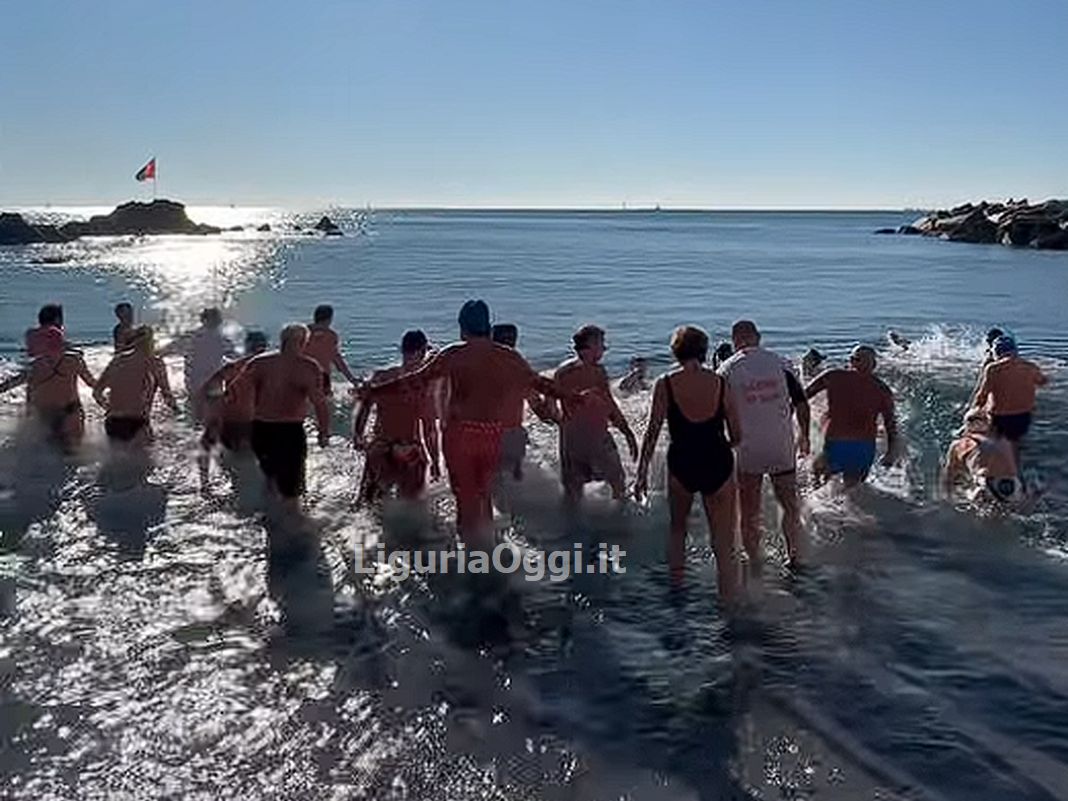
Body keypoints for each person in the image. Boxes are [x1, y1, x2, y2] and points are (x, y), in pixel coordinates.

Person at [361, 300, 574, 542]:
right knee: (482, 494)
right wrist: (571, 397)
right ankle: (490, 543)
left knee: (465, 496)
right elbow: (538, 383)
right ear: (488, 326)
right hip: (491, 434)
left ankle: (474, 551)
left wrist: (375, 390)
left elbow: (415, 380)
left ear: (462, 328)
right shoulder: (508, 356)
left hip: (461, 435)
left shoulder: (454, 354)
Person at [634, 325, 741, 601]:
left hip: (682, 461)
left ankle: (677, 591)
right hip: (717, 459)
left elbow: (653, 430)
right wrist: (723, 446)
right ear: (704, 351)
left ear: (676, 351)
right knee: (723, 542)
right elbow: (737, 433)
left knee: (678, 529)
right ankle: (728, 601)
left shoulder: (666, 383)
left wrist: (641, 472)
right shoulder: (720, 383)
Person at [718, 320, 810, 572]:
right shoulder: (781, 363)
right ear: (758, 337)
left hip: (747, 448)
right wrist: (805, 436)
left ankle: (755, 559)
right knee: (789, 504)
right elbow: (801, 403)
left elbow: (717, 410)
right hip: (780, 445)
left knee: (749, 510)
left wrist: (721, 443)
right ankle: (794, 557)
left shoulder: (727, 368)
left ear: (735, 340)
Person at [228, 324, 330, 508]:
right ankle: (290, 527)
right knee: (293, 489)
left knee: (270, 478)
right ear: (303, 342)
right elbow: (319, 403)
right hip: (290, 431)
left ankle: (270, 521)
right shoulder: (308, 367)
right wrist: (323, 433)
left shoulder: (259, 362)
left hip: (261, 429)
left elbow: (234, 391)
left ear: (282, 340)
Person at [551, 325, 639, 504]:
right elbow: (610, 405)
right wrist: (627, 431)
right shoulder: (597, 372)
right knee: (617, 482)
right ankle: (621, 523)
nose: (605, 349)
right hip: (596, 438)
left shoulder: (561, 371)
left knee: (573, 491)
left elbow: (550, 408)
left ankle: (573, 529)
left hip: (571, 440)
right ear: (590, 346)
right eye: (601, 344)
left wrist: (564, 422)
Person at [353, 329, 441, 504]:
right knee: (411, 509)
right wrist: (435, 462)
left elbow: (364, 408)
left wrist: (358, 435)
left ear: (402, 350)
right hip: (410, 449)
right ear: (423, 352)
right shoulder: (424, 386)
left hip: (381, 446)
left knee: (366, 504)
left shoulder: (381, 376)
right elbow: (429, 428)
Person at [805, 345, 898, 487]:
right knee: (853, 491)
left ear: (852, 361)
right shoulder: (882, 389)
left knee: (817, 480)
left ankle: (813, 507)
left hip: (834, 443)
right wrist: (890, 451)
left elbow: (802, 396)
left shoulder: (833, 376)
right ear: (874, 364)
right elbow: (890, 424)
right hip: (864, 448)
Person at [0, 325, 96, 450]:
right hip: (71, 412)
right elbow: (92, 383)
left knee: (50, 453)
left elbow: (10, 384)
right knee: (73, 454)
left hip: (47, 414)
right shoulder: (74, 361)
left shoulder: (36, 367)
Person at [196, 330, 269, 490]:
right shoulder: (271, 373)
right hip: (253, 428)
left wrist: (215, 404)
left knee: (206, 446)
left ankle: (204, 485)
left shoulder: (233, 367)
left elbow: (205, 391)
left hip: (227, 426)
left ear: (247, 346)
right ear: (265, 348)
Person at [490, 323, 555, 482]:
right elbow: (541, 412)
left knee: (489, 484)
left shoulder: (475, 366)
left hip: (480, 432)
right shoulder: (519, 369)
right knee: (513, 479)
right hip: (510, 433)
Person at [93, 326, 179, 445]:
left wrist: (108, 408)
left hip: (113, 421)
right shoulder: (155, 363)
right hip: (137, 421)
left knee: (118, 461)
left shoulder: (118, 360)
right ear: (150, 342)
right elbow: (167, 394)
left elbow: (96, 392)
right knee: (144, 462)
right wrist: (179, 414)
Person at [971, 335, 1048, 465]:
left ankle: (993, 469)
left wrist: (973, 413)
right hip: (1023, 417)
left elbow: (982, 395)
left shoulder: (992, 369)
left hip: (999, 417)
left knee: (994, 445)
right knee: (1015, 444)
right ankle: (1016, 471)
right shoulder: (1030, 367)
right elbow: (1043, 382)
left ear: (996, 352)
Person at [159, 307, 235, 418]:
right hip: (214, 387)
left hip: (195, 386)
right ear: (218, 321)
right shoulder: (223, 340)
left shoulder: (191, 337)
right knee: (212, 422)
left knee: (195, 422)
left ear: (202, 320)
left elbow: (165, 351)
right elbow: (237, 359)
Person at [943, 408, 1024, 504]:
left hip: (986, 483)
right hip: (1007, 483)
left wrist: (946, 494)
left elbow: (950, 474)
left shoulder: (958, 445)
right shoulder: (1003, 439)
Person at [305, 304, 359, 396]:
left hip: (301, 373)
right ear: (329, 319)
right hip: (322, 375)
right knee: (324, 403)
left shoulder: (303, 332)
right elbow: (337, 360)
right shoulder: (331, 336)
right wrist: (351, 379)